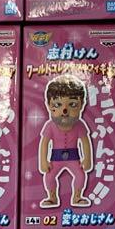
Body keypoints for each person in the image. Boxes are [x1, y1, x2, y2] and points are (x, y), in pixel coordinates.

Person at [38, 76, 93, 208]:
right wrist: (43, 161)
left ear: (81, 105)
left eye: (72, 104)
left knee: (80, 175)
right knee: (49, 176)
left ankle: (77, 196)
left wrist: (87, 159)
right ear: (49, 105)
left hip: (74, 157)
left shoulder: (80, 125)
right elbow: (44, 143)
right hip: (56, 158)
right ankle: (52, 197)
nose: (64, 110)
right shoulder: (50, 126)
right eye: (58, 104)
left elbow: (85, 142)